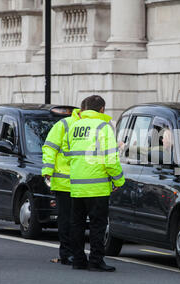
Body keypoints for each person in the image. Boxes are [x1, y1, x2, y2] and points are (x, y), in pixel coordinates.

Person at [66, 95, 125, 272]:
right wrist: (118, 180)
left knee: (77, 224)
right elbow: (110, 160)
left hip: (77, 186)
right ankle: (96, 261)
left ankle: (78, 260)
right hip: (97, 186)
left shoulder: (74, 126)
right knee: (97, 226)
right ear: (101, 109)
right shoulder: (103, 127)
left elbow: (69, 155)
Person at [42, 106, 83, 265]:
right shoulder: (64, 124)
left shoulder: (91, 126)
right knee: (67, 219)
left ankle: (75, 253)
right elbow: (50, 148)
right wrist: (47, 171)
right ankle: (67, 253)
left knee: (77, 220)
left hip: (84, 182)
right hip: (65, 182)